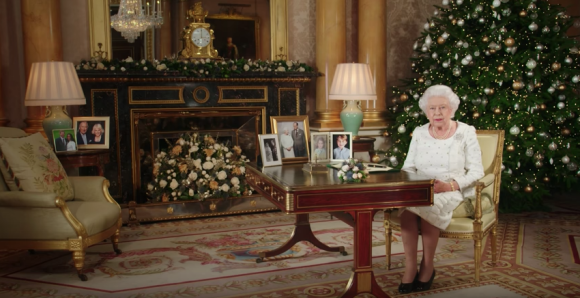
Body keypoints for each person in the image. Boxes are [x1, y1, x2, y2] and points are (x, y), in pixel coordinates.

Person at [397, 85, 484, 294]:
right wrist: (415, 186)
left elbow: (477, 171)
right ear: (426, 111)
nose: (437, 113)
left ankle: (427, 267)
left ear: (452, 109)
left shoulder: (465, 132)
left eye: (442, 108)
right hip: (420, 188)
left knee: (428, 209)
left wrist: (450, 185)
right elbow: (407, 167)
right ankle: (410, 267)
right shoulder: (419, 132)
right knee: (407, 211)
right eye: (432, 108)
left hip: (450, 189)